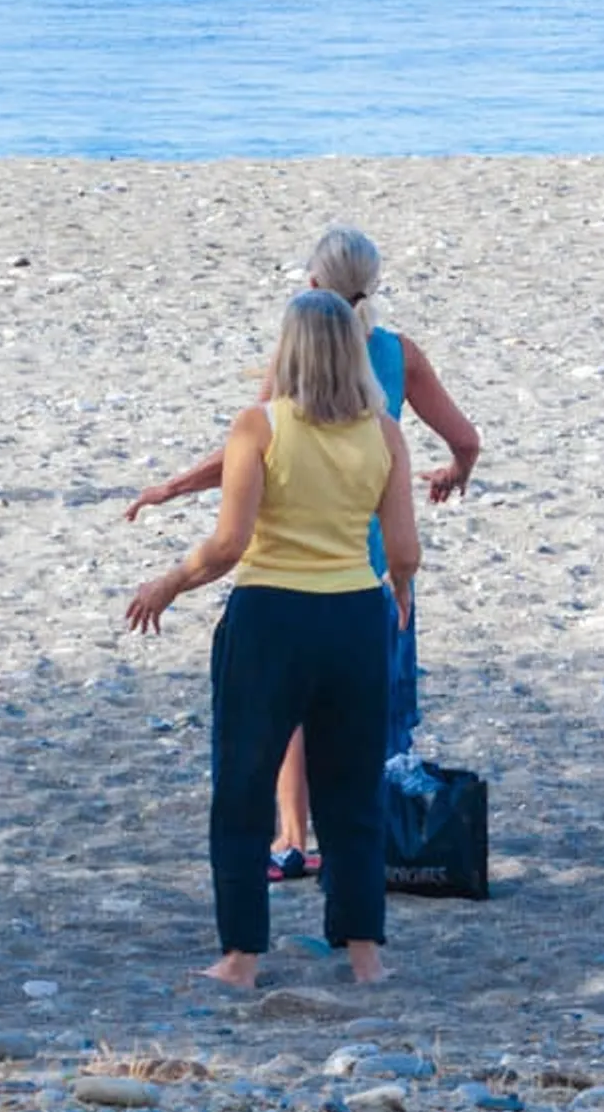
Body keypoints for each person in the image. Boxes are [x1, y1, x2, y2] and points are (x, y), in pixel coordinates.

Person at [126, 227, 478, 878]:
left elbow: (252, 449)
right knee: (363, 716)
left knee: (289, 709)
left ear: (312, 285)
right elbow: (466, 439)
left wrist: (173, 488)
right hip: (370, 569)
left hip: (289, 567)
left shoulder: (296, 355)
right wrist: (455, 472)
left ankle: (290, 838)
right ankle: (367, 847)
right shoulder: (400, 356)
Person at [125, 289, 419, 990]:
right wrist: (401, 591)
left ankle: (242, 958)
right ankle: (365, 955)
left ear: (288, 352)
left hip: (270, 617)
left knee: (245, 786)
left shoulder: (259, 426)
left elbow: (228, 545)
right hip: (354, 615)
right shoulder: (384, 434)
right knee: (353, 789)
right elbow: (403, 548)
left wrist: (169, 582)